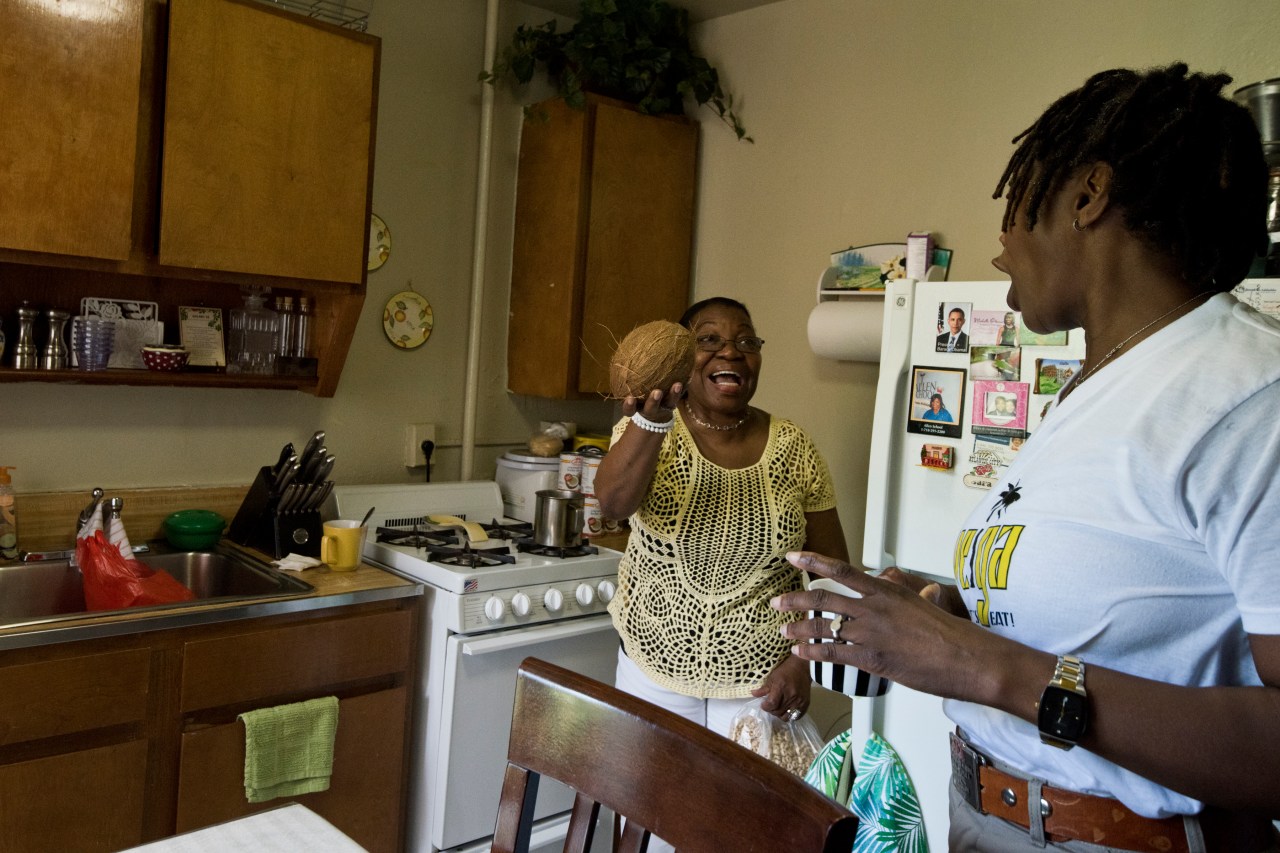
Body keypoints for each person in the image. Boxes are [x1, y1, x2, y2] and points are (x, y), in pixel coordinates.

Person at [771, 63, 1280, 852]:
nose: (1002, 247)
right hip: (983, 812)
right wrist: (941, 615)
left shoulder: (1252, 395)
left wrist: (979, 662)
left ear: (1088, 195)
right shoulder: (1092, 384)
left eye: (1013, 208)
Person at [594, 296, 849, 741]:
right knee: (647, 808)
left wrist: (805, 662)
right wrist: (651, 425)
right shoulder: (648, 428)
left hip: (763, 684)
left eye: (746, 341)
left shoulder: (794, 447)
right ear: (679, 357)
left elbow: (833, 575)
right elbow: (613, 505)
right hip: (651, 673)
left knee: (748, 812)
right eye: (708, 339)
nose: (731, 352)